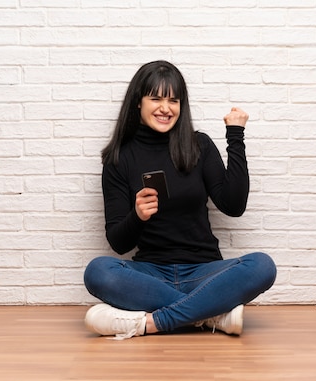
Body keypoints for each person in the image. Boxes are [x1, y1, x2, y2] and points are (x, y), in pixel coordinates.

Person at [83, 60, 277, 339]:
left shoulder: (199, 145)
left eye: (174, 100)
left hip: (204, 272)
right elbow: (118, 242)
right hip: (151, 274)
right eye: (156, 98)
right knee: (98, 271)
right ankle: (210, 313)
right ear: (138, 102)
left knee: (262, 265)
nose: (166, 108)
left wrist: (235, 136)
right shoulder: (119, 159)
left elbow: (233, 206)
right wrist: (137, 216)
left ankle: (153, 322)